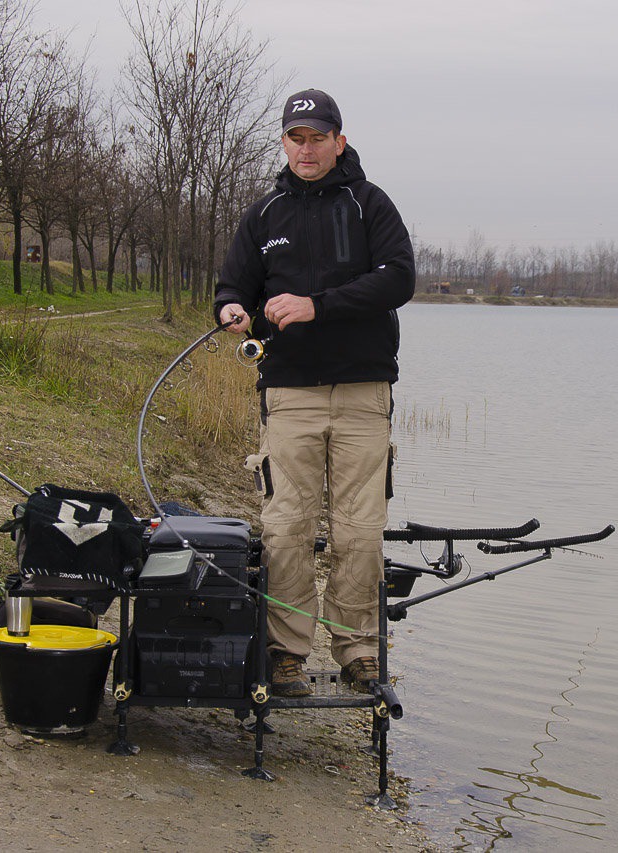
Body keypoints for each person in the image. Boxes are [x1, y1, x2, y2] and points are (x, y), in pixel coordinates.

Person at [213, 88, 414, 697]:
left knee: (360, 531)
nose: (307, 149)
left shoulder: (369, 204)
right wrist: (229, 309)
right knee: (286, 528)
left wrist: (316, 306)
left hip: (363, 393)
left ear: (339, 142)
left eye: (318, 138)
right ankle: (287, 655)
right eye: (296, 138)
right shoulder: (264, 214)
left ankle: (357, 653)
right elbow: (231, 284)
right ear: (284, 143)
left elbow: (399, 279)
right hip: (289, 395)